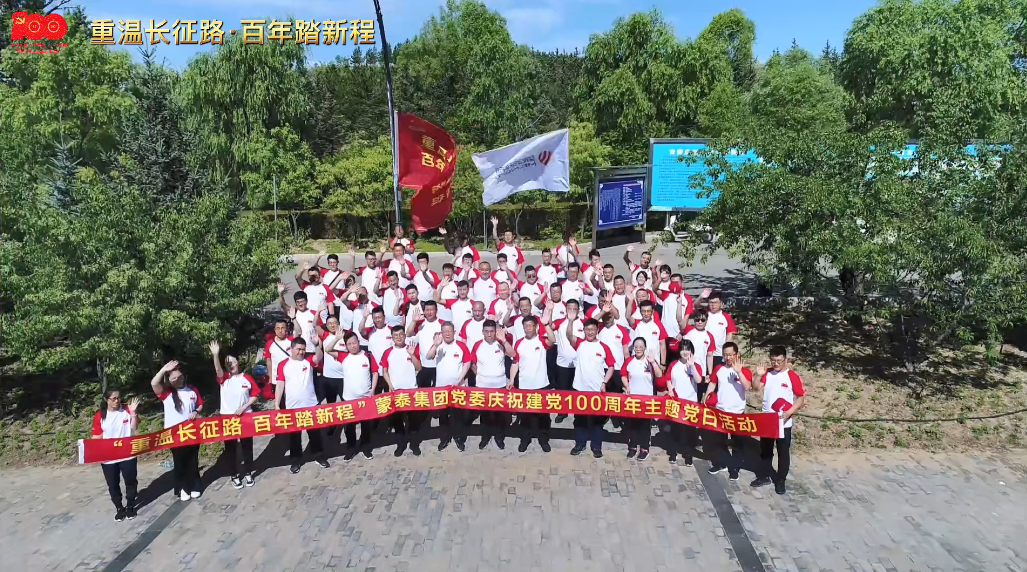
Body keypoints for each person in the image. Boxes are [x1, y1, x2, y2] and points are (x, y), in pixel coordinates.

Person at [750, 346, 806, 495]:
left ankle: (781, 480)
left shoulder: (791, 376)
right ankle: (764, 475)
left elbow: (800, 398)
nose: (776, 363)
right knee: (766, 450)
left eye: (779, 361)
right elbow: (755, 388)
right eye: (773, 360)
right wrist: (758, 375)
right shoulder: (767, 373)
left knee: (783, 452)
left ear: (785, 360)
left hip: (784, 422)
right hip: (768, 420)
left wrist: (790, 411)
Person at [150, 360, 203, 501]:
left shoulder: (192, 390)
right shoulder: (166, 393)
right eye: (173, 378)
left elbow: (200, 404)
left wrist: (196, 412)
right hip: (175, 435)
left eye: (179, 377)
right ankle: (183, 488)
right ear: (169, 380)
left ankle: (195, 486)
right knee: (180, 462)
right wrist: (163, 370)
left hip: (191, 432)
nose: (177, 380)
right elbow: (154, 384)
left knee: (193, 461)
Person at [209, 341, 260, 488]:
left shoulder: (247, 378)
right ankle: (234, 475)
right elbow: (218, 370)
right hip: (228, 418)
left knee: (247, 447)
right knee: (230, 449)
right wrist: (215, 355)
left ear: (238, 362)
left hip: (246, 417)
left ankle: (248, 472)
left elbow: (255, 395)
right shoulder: (224, 378)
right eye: (227, 363)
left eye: (232, 362)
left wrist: (244, 407)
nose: (230, 365)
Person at [276, 337, 329, 472]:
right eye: (298, 349)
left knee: (315, 433)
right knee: (294, 436)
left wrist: (317, 345)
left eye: (303, 349)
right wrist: (277, 404)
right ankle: (295, 460)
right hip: (292, 407)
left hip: (310, 404)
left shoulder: (308, 361)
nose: (301, 352)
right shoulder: (283, 365)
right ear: (291, 349)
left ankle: (318, 455)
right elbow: (280, 385)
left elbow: (319, 356)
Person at [324, 332, 377, 461]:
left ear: (358, 342)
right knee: (349, 427)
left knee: (366, 425)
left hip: (365, 398)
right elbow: (327, 349)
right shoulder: (343, 356)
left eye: (354, 343)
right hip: (348, 399)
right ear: (346, 346)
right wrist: (337, 338)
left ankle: (365, 447)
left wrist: (373, 390)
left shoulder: (368, 356)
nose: (353, 346)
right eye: (349, 344)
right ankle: (351, 448)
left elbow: (375, 373)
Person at [706, 341, 753, 481]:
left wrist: (739, 372)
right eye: (725, 354)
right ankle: (722, 463)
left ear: (736, 354)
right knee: (718, 440)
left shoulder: (744, 371)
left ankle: (735, 467)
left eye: (730, 354)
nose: (728, 357)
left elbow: (747, 387)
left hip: (737, 413)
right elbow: (712, 383)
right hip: (720, 411)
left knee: (737, 442)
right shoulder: (719, 369)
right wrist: (706, 398)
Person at [568, 318, 615, 457]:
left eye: (592, 330)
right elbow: (569, 336)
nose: (590, 332)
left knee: (597, 422)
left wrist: (605, 382)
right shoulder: (580, 344)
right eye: (587, 330)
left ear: (597, 330)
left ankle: (596, 446)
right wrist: (570, 321)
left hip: (597, 391)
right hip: (579, 389)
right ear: (584, 331)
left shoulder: (603, 347)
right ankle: (580, 444)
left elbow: (611, 366)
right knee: (580, 420)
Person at [92, 390, 140, 521]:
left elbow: (134, 427)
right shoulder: (100, 415)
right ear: (106, 399)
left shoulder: (127, 410)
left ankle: (130, 505)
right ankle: (119, 507)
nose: (117, 401)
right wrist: (86, 446)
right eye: (113, 398)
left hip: (127, 453)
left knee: (130, 480)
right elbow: (97, 436)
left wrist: (133, 413)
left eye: (118, 398)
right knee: (113, 484)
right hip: (108, 456)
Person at [509, 316, 552, 452]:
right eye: (525, 326)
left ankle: (543, 439)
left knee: (543, 416)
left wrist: (547, 325)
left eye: (530, 325)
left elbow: (552, 340)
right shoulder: (519, 343)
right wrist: (511, 380)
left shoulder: (541, 340)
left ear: (536, 327)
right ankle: (525, 439)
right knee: (525, 416)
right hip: (524, 386)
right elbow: (515, 362)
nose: (528, 328)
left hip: (542, 384)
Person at [430, 322, 472, 451]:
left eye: (450, 331)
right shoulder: (438, 345)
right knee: (443, 415)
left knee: (458, 414)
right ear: (441, 333)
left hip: (457, 387)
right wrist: (435, 345)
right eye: (445, 331)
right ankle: (444, 438)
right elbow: (428, 356)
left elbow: (467, 363)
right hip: (441, 388)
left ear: (454, 332)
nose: (447, 333)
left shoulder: (461, 346)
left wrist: (459, 380)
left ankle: (458, 438)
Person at [381, 326, 422, 457]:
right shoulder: (388, 352)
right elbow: (384, 371)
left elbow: (419, 368)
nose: (398, 337)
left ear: (405, 335)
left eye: (400, 334)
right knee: (397, 421)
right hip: (396, 393)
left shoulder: (411, 349)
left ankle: (414, 444)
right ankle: (401, 444)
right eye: (395, 335)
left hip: (411, 391)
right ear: (392, 338)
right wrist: (390, 384)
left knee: (413, 420)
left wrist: (412, 355)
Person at [620, 338, 664, 460]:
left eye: (641, 346)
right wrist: (627, 386)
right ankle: (633, 446)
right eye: (636, 347)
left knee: (645, 425)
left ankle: (644, 448)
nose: (638, 349)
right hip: (633, 399)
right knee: (633, 424)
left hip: (647, 400)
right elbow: (623, 375)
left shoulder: (649, 361)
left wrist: (653, 362)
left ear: (645, 348)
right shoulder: (629, 361)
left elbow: (659, 375)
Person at [470, 320, 511, 449]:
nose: (489, 334)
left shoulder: (501, 343)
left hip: (500, 385)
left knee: (499, 414)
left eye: (492, 331)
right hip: (483, 386)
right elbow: (473, 363)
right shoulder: (477, 345)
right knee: (485, 414)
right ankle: (485, 436)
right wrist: (481, 376)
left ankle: (499, 437)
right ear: (483, 332)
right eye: (486, 331)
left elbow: (513, 354)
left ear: (495, 331)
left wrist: (504, 340)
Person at [664, 340, 704, 466]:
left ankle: (688, 454)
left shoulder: (696, 365)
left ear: (691, 351)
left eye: (687, 349)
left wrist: (692, 366)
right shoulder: (673, 365)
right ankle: (673, 452)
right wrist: (670, 389)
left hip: (690, 403)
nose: (685, 352)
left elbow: (699, 380)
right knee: (675, 429)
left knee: (689, 431)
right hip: (676, 402)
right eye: (682, 349)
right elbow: (668, 379)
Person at [547, 299, 584, 423]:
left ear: (578, 310)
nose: (571, 311)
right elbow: (550, 326)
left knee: (577, 390)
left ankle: (578, 414)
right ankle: (562, 412)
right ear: (566, 309)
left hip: (579, 364)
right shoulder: (560, 322)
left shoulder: (583, 323)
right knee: (562, 390)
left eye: (574, 309)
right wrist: (550, 310)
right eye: (569, 308)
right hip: (562, 363)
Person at [597, 310, 631, 429]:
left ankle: (617, 416)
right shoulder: (598, 328)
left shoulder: (621, 330)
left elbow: (626, 351)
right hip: (602, 368)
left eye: (610, 316)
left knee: (617, 394)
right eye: (605, 317)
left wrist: (627, 368)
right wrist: (602, 312)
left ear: (614, 317)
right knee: (603, 393)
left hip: (618, 367)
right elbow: (590, 322)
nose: (608, 319)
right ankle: (604, 416)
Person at [682, 309, 717, 400]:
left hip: (701, 371)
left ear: (706, 321)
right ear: (694, 320)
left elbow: (710, 355)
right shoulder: (688, 332)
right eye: (697, 320)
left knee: (697, 397)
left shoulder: (709, 336)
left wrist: (710, 373)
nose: (700, 322)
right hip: (686, 369)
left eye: (703, 320)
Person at [703, 290, 737, 368]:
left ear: (721, 303)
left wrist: (726, 353)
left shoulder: (726, 317)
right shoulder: (704, 315)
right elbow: (695, 306)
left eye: (716, 302)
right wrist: (701, 297)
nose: (713, 305)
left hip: (719, 354)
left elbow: (729, 335)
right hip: (704, 352)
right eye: (711, 302)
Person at [629, 301, 668, 365]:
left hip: (654, 362)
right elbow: (628, 316)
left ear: (652, 311)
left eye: (648, 311)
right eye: (643, 311)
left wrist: (663, 363)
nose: (646, 314)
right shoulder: (636, 323)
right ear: (640, 312)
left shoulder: (658, 325)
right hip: (637, 362)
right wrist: (630, 300)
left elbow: (662, 345)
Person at [263, 318, 295, 386]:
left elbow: (298, 332)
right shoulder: (270, 343)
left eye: (282, 328)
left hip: (291, 378)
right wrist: (270, 377)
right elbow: (269, 360)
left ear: (287, 329)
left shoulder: (292, 340)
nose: (280, 331)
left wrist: (293, 318)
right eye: (278, 328)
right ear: (275, 330)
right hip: (276, 379)